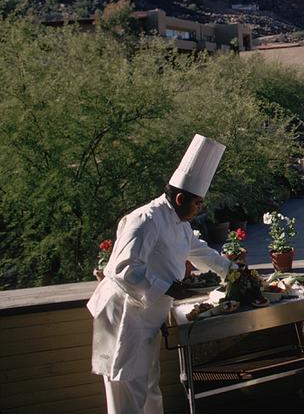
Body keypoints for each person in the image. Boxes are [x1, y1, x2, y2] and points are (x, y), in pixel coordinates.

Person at [87, 134, 236, 414]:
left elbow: (200, 251)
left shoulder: (178, 221)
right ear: (180, 197)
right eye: (197, 204)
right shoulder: (145, 219)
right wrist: (170, 288)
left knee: (149, 388)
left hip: (146, 318)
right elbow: (122, 270)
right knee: (126, 393)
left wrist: (233, 271)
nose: (198, 210)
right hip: (124, 318)